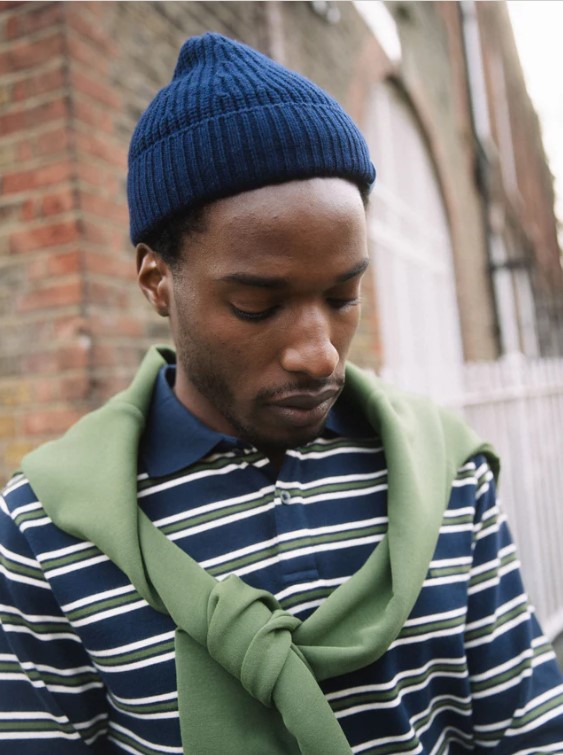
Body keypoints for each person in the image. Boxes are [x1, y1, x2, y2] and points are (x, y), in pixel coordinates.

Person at [1, 32, 562, 755]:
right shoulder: (46, 528)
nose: (318, 353)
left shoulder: (448, 474)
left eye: (343, 295)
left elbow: (527, 730)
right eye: (256, 305)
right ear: (156, 280)